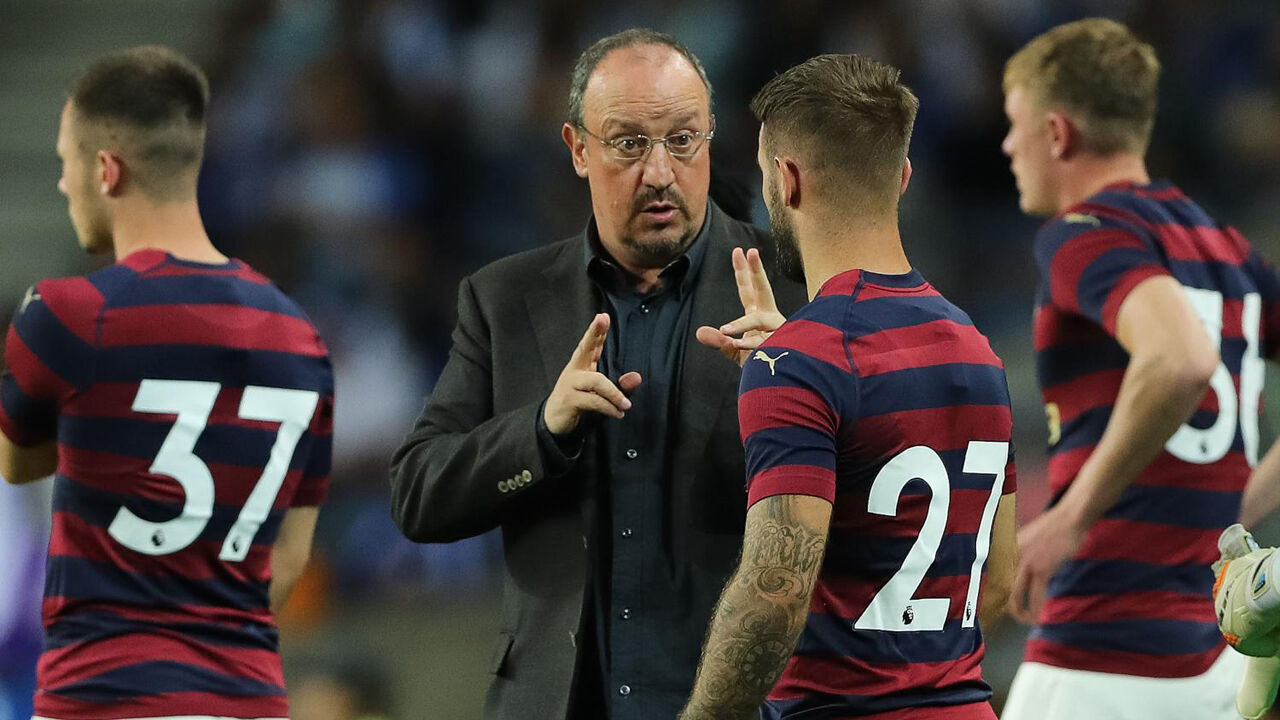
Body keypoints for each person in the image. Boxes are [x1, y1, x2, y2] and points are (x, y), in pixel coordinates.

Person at [388, 28, 804, 720]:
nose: (661, 171)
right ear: (578, 149)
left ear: (711, 138)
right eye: (629, 143)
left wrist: (801, 389)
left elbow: (873, 504)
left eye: (682, 139)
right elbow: (417, 493)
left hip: (742, 703)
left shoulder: (795, 290)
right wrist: (541, 432)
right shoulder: (504, 300)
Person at [679, 53, 1018, 720]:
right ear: (904, 176)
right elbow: (997, 582)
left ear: (787, 177)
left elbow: (772, 596)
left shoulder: (803, 363)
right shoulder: (978, 351)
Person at [0, 46, 333, 720]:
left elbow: (18, 466)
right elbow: (287, 564)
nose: (63, 186)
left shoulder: (62, 315)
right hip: (244, 698)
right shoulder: (304, 338)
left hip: (100, 697)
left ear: (105, 169)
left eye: (66, 162)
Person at [999, 18, 1280, 719]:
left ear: (1057, 133)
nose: (1007, 146)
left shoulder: (1081, 235)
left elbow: (1182, 356)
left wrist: (1071, 516)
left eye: (1014, 124)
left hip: (1099, 657)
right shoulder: (1228, 248)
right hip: (1218, 663)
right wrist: (1237, 505)